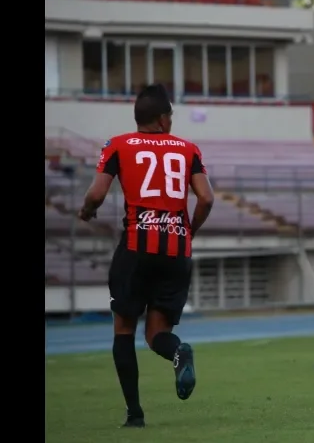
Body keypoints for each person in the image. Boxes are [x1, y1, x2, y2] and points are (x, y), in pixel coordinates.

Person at [77, 84, 215, 428]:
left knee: (123, 330)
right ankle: (178, 352)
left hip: (136, 249)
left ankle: (135, 415)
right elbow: (206, 198)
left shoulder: (118, 145)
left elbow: (96, 194)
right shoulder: (188, 149)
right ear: (163, 119)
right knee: (157, 335)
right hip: (176, 252)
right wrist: (189, 230)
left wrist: (87, 211)